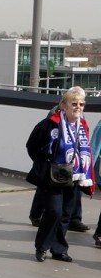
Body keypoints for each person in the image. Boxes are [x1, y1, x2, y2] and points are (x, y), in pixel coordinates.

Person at [26, 87, 94, 263]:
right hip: (53, 175)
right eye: (74, 103)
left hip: (74, 175)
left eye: (82, 104)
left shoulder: (82, 125)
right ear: (64, 105)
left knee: (66, 214)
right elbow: (32, 145)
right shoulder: (50, 124)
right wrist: (44, 164)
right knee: (54, 212)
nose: (78, 107)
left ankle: (59, 249)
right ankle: (41, 247)